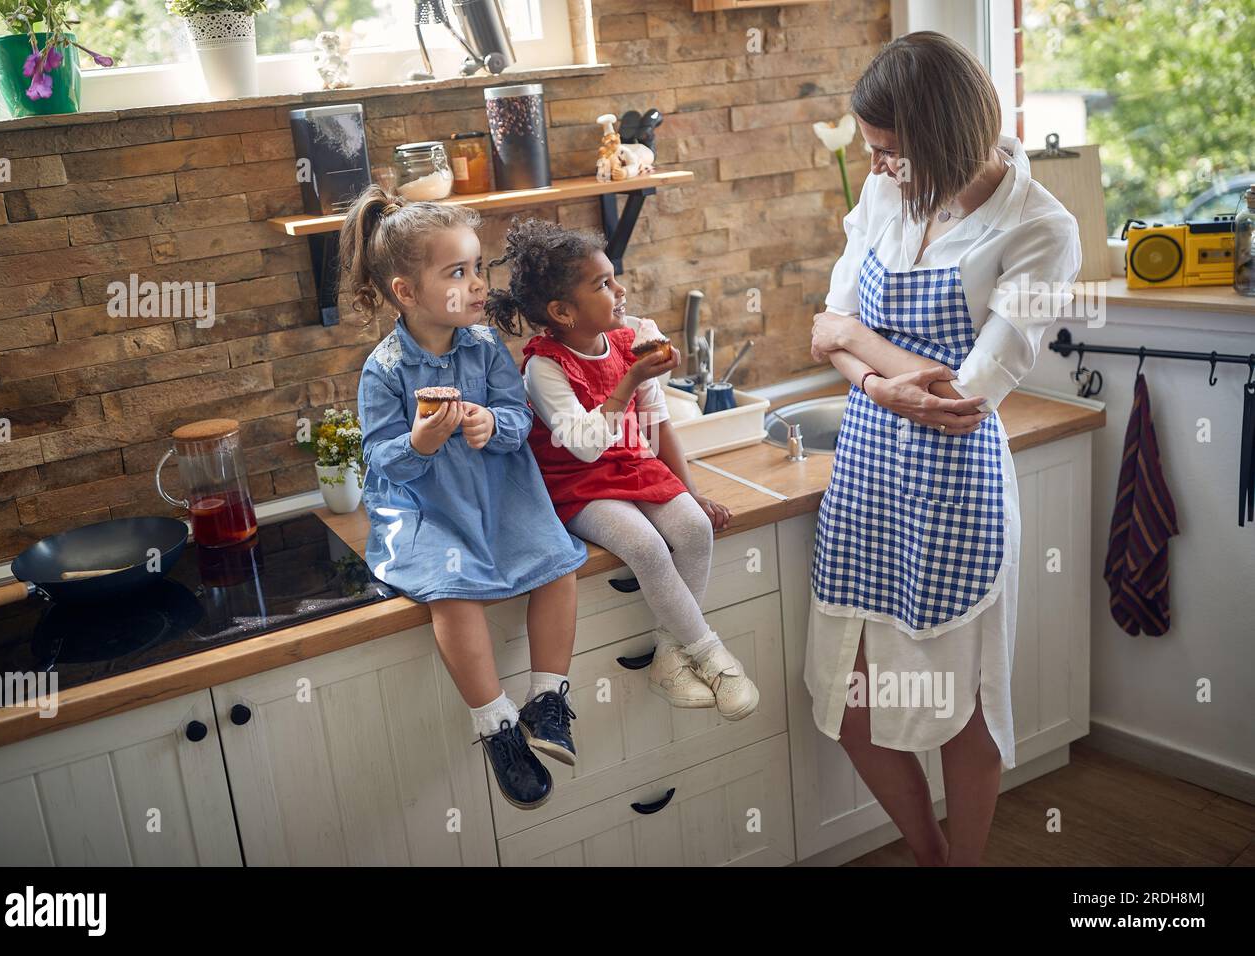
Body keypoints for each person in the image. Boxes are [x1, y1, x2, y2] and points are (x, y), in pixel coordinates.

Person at [807, 31, 1081, 865]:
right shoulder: (893, 196)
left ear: (937, 140)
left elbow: (967, 392)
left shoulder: (1041, 227)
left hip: (956, 487)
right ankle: (929, 855)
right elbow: (826, 328)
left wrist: (862, 342)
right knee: (849, 701)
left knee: (963, 707)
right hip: (867, 472)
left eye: (889, 151)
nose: (878, 167)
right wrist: (880, 383)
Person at [345, 188, 589, 811]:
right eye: (458, 272)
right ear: (406, 291)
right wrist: (421, 440)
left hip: (496, 494)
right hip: (426, 509)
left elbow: (517, 417)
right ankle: (498, 726)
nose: (480, 284)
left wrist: (490, 425)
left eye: (479, 267)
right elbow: (381, 459)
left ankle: (546, 698)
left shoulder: (482, 347)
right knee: (451, 594)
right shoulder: (385, 370)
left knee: (559, 565)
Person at [484, 217, 759, 721]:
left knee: (694, 528)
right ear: (563, 312)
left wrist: (689, 491)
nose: (620, 289)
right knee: (646, 546)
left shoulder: (632, 337)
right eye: (603, 284)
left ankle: (671, 659)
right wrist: (628, 381)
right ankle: (713, 659)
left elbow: (656, 423)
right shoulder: (545, 368)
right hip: (580, 484)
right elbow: (585, 448)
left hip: (634, 464)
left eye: (614, 277)